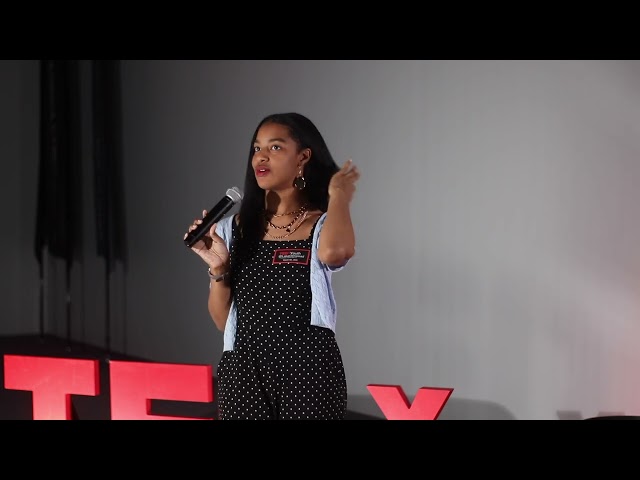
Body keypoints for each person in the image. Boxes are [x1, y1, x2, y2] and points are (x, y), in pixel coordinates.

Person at [185, 112, 360, 420]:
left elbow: (335, 252)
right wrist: (219, 269)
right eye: (257, 148)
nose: (261, 157)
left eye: (275, 147)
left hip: (308, 370)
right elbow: (223, 321)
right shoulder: (231, 230)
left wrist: (339, 197)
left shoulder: (320, 225)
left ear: (303, 157)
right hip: (244, 372)